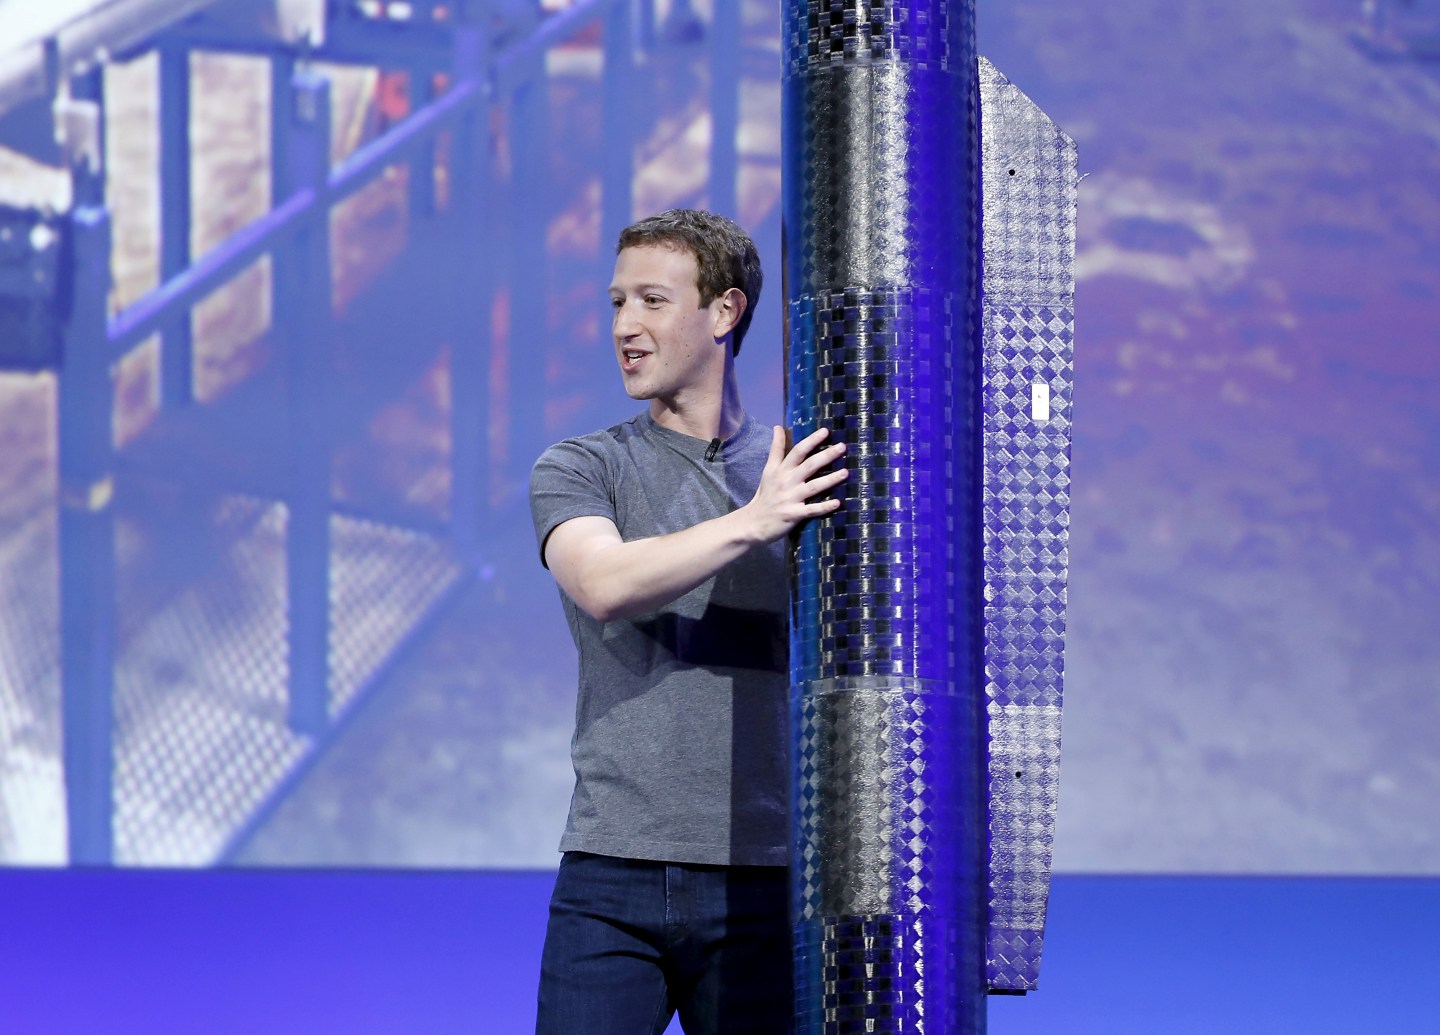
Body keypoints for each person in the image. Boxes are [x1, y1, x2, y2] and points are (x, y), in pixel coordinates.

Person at [528, 209, 847, 1034]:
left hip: (765, 879)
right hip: (610, 873)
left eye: (651, 301)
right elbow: (602, 583)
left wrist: (777, 504)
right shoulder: (582, 465)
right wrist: (754, 520)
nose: (624, 326)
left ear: (724, 312)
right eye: (615, 302)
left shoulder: (797, 473)